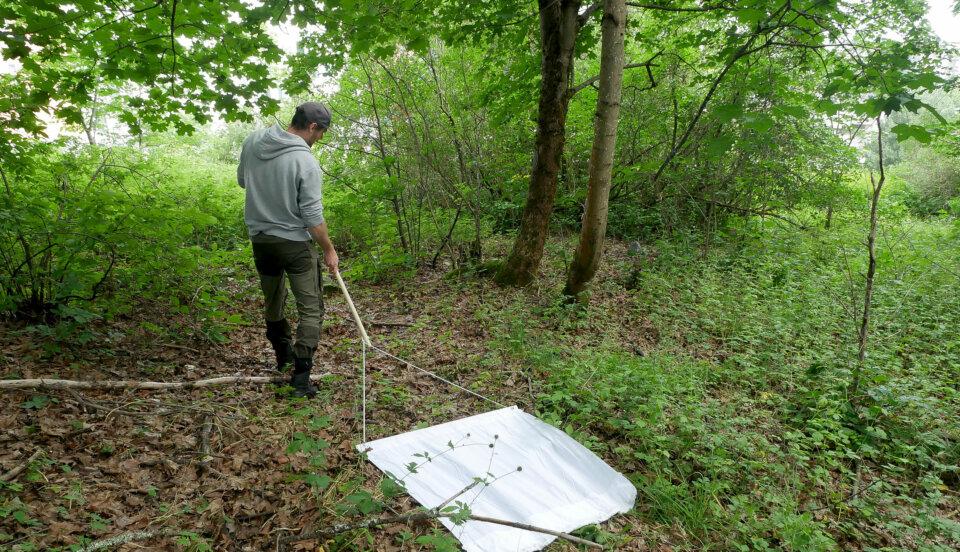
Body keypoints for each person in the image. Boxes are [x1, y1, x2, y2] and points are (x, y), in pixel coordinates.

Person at [237, 102, 339, 398]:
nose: (319, 139)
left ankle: (283, 358)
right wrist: (329, 250)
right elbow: (312, 217)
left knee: (273, 300)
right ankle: (300, 379)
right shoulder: (305, 161)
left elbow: (243, 180)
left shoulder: (253, 140)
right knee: (311, 309)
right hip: (294, 245)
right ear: (312, 127)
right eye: (321, 133)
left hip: (261, 241)